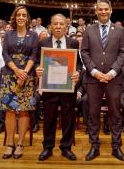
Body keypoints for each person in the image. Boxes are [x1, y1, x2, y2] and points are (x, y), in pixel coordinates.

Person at [80, 0, 124, 161]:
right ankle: (94, 147)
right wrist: (93, 71)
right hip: (93, 79)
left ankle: (116, 147)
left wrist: (113, 72)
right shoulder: (89, 29)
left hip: (114, 79)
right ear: (96, 11)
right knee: (93, 114)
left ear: (111, 10)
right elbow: (84, 52)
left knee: (115, 114)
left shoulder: (120, 30)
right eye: (100, 9)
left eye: (106, 9)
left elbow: (123, 53)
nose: (103, 12)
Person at [35, 14, 81, 161]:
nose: (58, 27)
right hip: (49, 88)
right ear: (50, 26)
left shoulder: (73, 43)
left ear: (67, 27)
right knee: (49, 119)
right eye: (55, 24)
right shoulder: (43, 42)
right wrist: (38, 69)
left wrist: (78, 72)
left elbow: (79, 63)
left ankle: (66, 147)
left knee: (68, 119)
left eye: (61, 24)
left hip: (68, 88)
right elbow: (37, 61)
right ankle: (47, 147)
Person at [0, 6, 39, 159]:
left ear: (27, 18)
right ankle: (10, 143)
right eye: (18, 15)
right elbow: (5, 53)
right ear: (14, 17)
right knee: (9, 110)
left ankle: (21, 143)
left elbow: (34, 55)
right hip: (9, 76)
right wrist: (16, 70)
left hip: (27, 77)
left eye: (24, 15)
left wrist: (24, 73)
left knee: (23, 110)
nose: (21, 17)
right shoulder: (9, 34)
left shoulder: (33, 35)